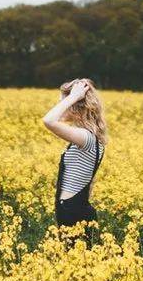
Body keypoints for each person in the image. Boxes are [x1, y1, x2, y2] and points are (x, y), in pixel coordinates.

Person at [41, 77, 109, 240]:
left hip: (73, 213)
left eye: (62, 103)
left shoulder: (86, 137)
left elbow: (48, 121)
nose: (59, 106)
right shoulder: (89, 138)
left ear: (76, 106)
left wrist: (73, 96)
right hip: (74, 210)